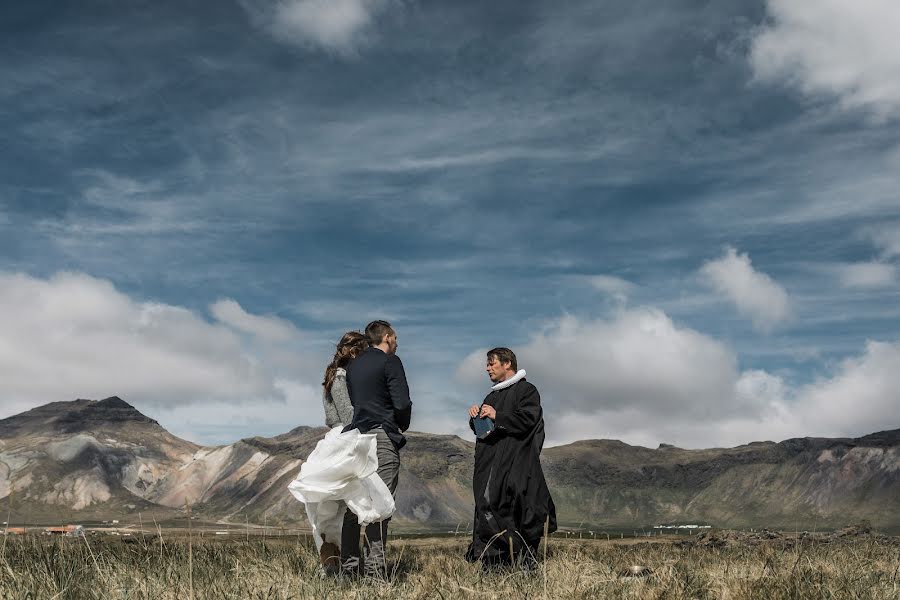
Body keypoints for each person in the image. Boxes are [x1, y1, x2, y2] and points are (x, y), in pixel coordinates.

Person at [465, 347, 557, 570]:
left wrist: (497, 415)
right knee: (488, 505)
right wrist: (476, 418)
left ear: (507, 364)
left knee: (518, 507)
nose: (487, 368)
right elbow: (485, 432)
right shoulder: (492, 396)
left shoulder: (527, 391)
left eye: (491, 363)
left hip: (516, 462)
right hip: (491, 464)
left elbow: (529, 419)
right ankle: (494, 562)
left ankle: (524, 561)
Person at [340, 320, 412, 577]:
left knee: (353, 503)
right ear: (387, 337)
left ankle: (348, 570)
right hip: (381, 435)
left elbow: (353, 402)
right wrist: (400, 424)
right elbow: (402, 402)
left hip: (356, 439)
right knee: (379, 505)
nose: (396, 342)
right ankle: (375, 573)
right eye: (395, 337)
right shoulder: (391, 361)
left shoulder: (353, 366)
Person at [316, 331, 370, 574]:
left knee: (335, 506)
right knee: (344, 504)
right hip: (346, 439)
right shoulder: (340, 377)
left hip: (337, 438)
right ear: (355, 352)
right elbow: (346, 415)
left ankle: (337, 563)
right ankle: (338, 563)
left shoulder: (332, 376)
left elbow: (330, 416)